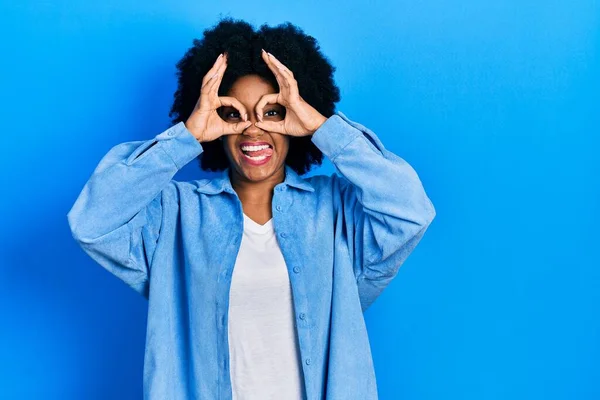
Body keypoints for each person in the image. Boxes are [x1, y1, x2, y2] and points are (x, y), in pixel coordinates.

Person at [67, 17, 436, 400]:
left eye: (273, 112)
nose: (253, 129)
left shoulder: (335, 211)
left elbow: (410, 211)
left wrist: (321, 126)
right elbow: (93, 222)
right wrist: (187, 136)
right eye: (233, 114)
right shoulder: (175, 214)